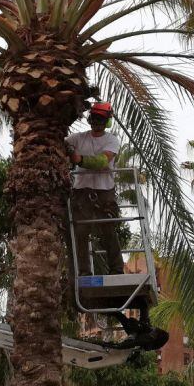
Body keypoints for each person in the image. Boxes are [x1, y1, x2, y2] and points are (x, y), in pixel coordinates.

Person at [66, 101, 125, 276]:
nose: (97, 121)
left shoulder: (112, 140)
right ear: (90, 118)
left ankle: (116, 270)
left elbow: (101, 162)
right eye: (94, 117)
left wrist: (78, 159)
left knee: (108, 230)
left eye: (100, 118)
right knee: (81, 232)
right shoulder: (78, 138)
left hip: (104, 192)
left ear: (107, 121)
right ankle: (84, 272)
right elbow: (61, 142)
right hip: (81, 191)